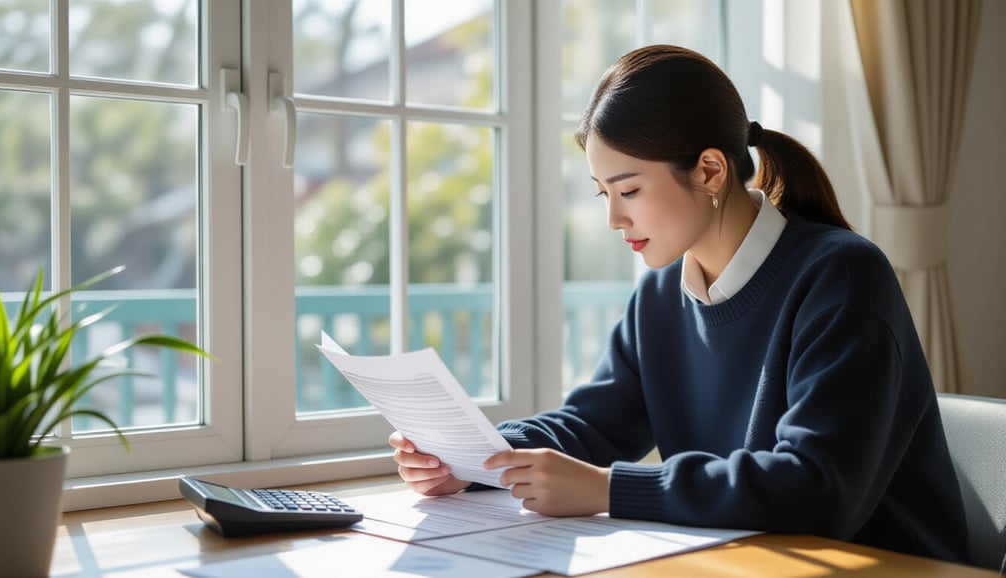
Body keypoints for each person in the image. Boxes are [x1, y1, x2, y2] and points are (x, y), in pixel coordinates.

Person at [388, 44, 970, 564]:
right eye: (604, 194)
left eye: (630, 190)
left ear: (710, 170)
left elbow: (820, 488)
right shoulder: (662, 295)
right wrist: (472, 460)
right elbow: (592, 423)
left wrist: (609, 489)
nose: (614, 218)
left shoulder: (841, 276)